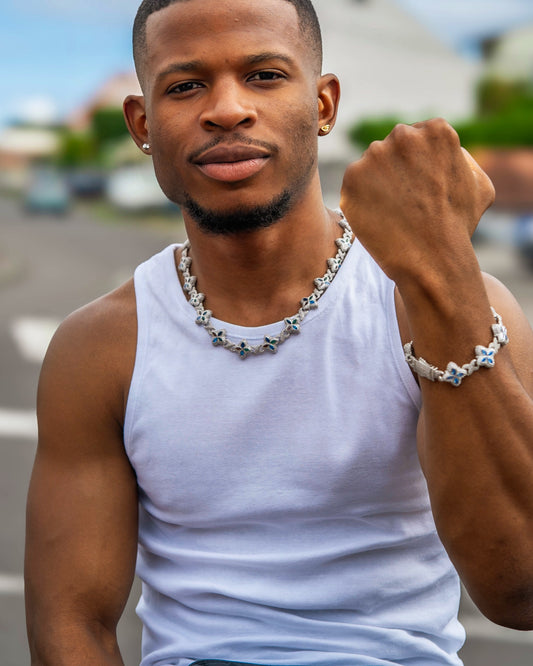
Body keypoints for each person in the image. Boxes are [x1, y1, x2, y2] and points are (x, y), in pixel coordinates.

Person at [25, 0, 533, 664]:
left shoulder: (432, 303)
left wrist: (441, 274)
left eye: (263, 75)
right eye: (185, 86)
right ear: (143, 125)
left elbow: (520, 591)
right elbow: (71, 624)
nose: (227, 109)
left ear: (323, 105)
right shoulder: (100, 348)